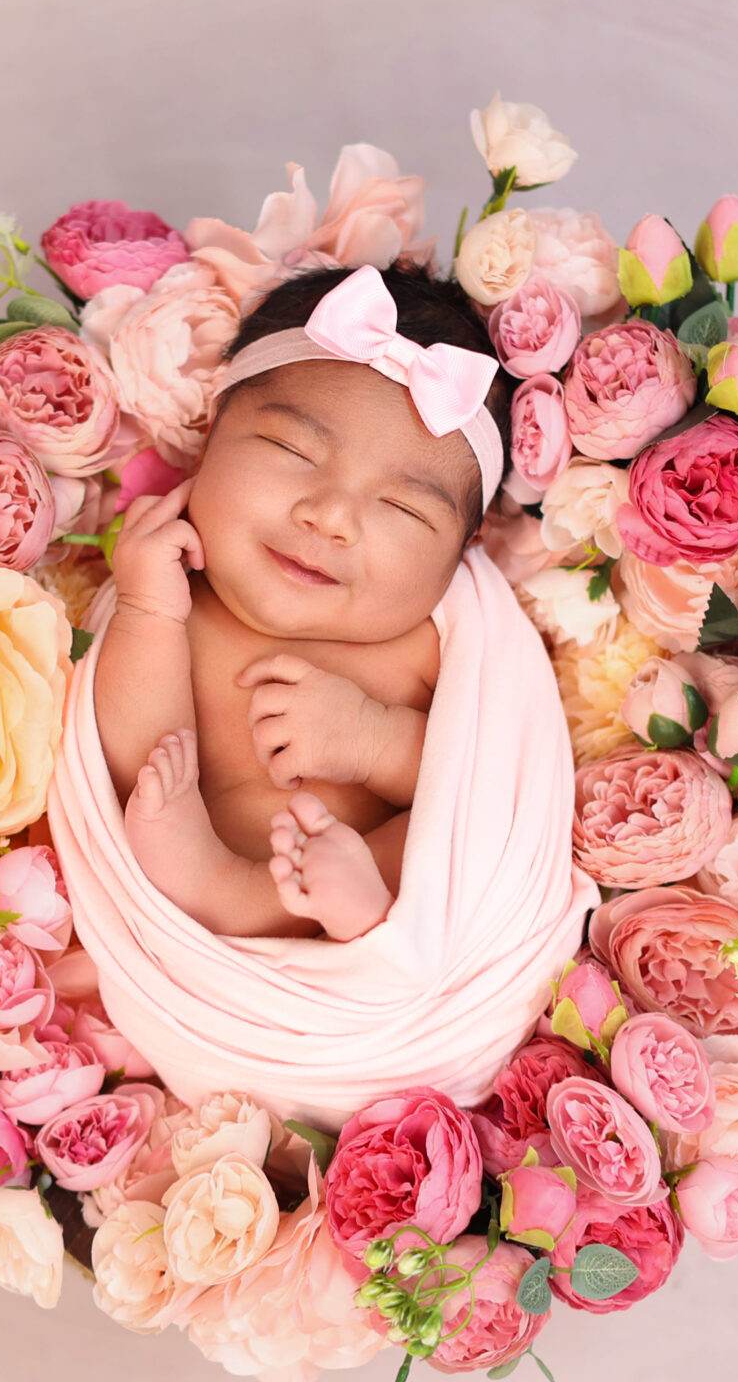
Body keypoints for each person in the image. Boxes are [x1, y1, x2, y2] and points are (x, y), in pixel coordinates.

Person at [92, 262, 506, 941]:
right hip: (177, 940)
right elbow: (135, 762)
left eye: (402, 506)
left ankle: (364, 925)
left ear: (465, 545)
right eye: (292, 448)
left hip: (383, 925)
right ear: (212, 430)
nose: (331, 516)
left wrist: (377, 740)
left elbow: (496, 783)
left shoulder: (434, 641)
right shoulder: (183, 595)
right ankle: (227, 891)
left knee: (458, 826)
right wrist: (145, 613)